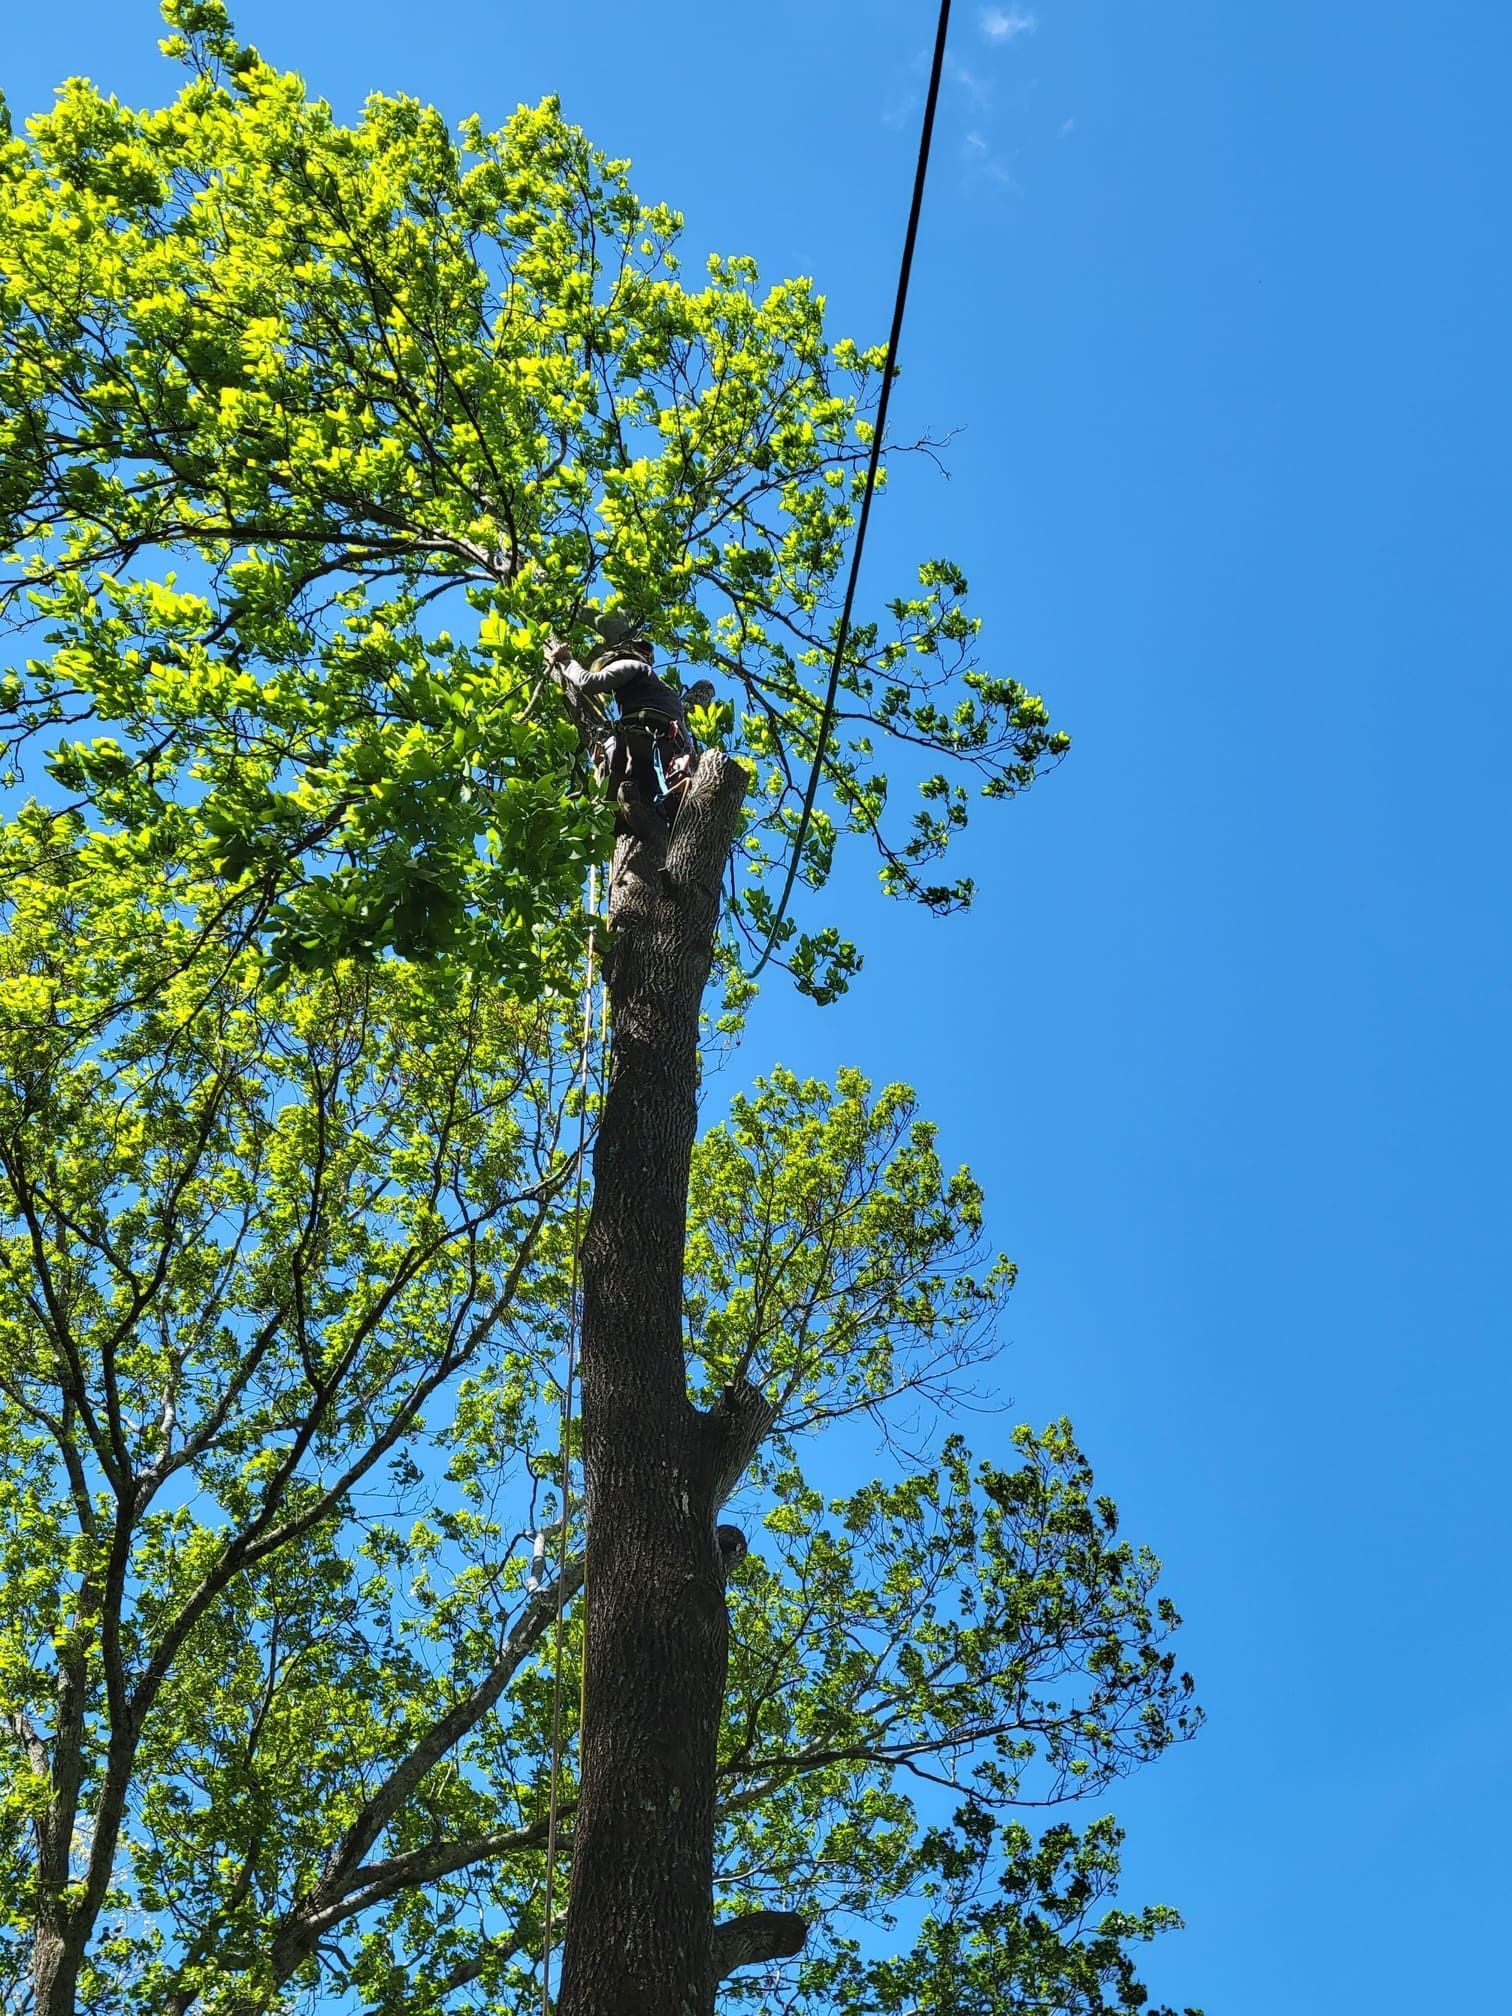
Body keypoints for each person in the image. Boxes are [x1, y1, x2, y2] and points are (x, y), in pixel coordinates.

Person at [549, 620, 715, 840]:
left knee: (607, 799)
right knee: (645, 803)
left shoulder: (632, 665)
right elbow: (686, 743)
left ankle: (624, 813)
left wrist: (566, 660)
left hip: (636, 744)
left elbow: (588, 683)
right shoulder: (667, 693)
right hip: (669, 758)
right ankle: (638, 812)